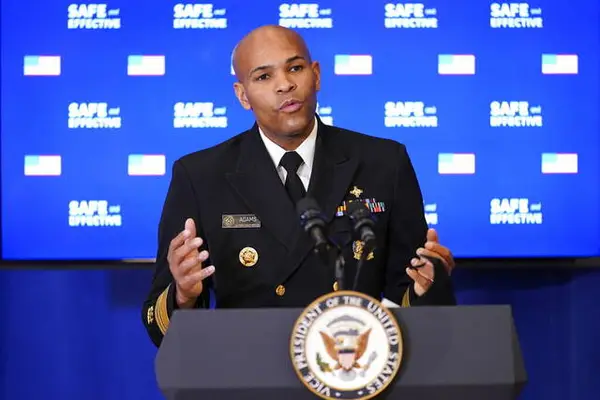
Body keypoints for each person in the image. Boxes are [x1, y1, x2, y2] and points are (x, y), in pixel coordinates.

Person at [142, 25, 457, 347]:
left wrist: (428, 285)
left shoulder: (384, 162)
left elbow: (410, 295)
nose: (285, 85)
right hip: (249, 363)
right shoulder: (200, 175)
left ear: (316, 75)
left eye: (295, 68)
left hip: (351, 359)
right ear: (242, 95)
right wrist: (183, 295)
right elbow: (158, 327)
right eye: (264, 76)